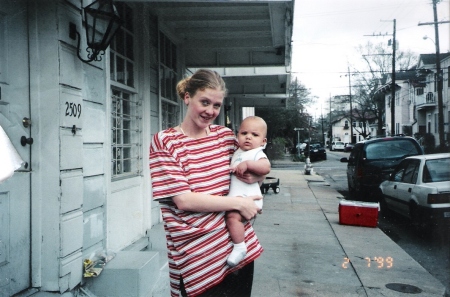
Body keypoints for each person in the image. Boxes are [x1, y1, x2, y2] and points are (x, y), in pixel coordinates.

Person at [149, 69, 264, 297]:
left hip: (238, 249)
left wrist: (257, 176)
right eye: (205, 102)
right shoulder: (166, 142)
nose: (210, 111)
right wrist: (239, 204)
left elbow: (255, 161)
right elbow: (183, 200)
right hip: (197, 255)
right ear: (187, 97)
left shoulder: (225, 137)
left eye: (217, 105)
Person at [226, 116, 270, 267]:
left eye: (255, 135)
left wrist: (249, 165)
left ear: (263, 141)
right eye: (244, 133)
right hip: (238, 196)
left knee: (232, 218)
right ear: (237, 136)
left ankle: (240, 247)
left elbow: (266, 168)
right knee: (231, 218)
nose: (248, 137)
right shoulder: (237, 151)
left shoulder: (257, 153)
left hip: (249, 197)